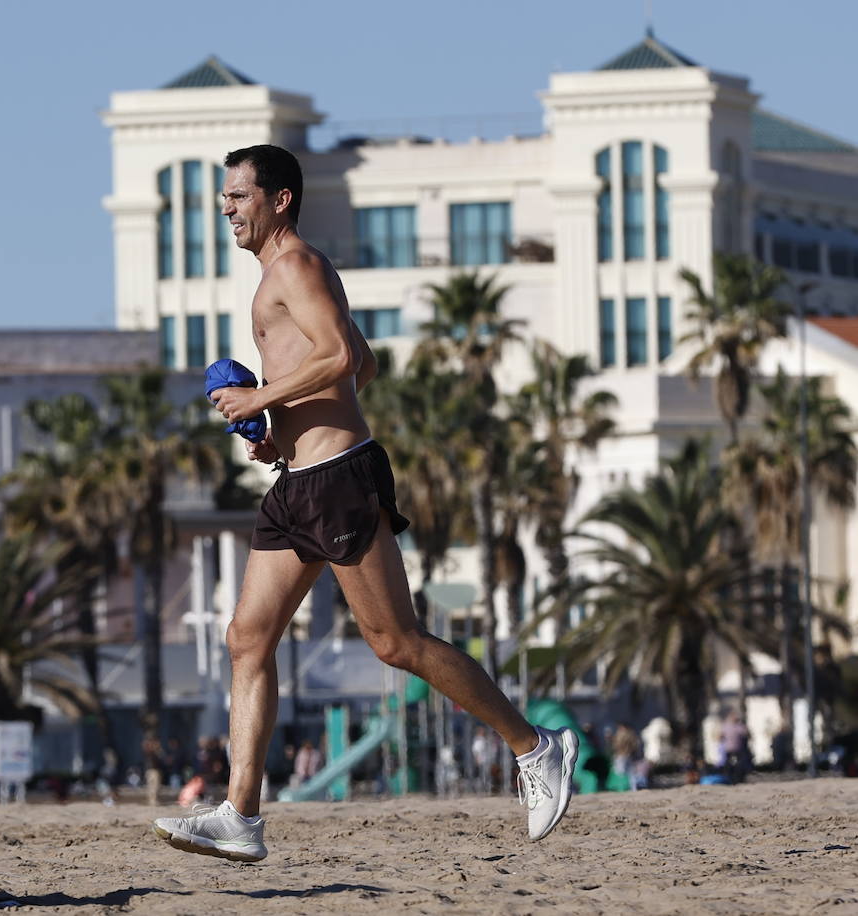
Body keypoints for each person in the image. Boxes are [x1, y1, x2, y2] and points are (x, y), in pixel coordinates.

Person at [153, 145, 578, 862]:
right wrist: (279, 430)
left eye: (238, 195)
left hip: (340, 480)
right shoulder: (285, 276)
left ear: (279, 199)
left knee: (396, 643)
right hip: (297, 481)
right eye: (224, 197)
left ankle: (536, 746)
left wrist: (262, 395)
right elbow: (361, 359)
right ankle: (241, 814)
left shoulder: (298, 267)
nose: (226, 207)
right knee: (246, 638)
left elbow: (345, 361)